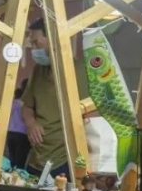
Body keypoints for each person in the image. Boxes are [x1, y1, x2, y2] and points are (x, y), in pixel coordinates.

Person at [21, 18, 90, 180]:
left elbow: (93, 114)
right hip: (36, 159)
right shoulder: (39, 70)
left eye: (37, 43)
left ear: (53, 40)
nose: (34, 49)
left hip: (65, 159)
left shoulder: (79, 72)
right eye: (32, 44)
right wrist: (31, 123)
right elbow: (27, 106)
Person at [5, 80, 31, 169]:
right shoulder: (27, 105)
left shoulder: (13, 103)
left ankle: (11, 176)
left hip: (11, 132)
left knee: (12, 159)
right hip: (23, 134)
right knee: (20, 161)